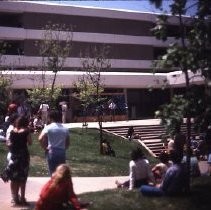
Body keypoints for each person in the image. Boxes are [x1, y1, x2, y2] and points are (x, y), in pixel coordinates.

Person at [2, 116, 32, 206]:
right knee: (23, 178)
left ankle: (15, 198)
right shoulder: (26, 131)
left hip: (14, 156)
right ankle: (22, 198)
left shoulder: (12, 131)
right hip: (23, 156)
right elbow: (30, 143)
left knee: (14, 178)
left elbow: (9, 143)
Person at [38, 110, 70, 175]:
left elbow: (40, 138)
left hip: (52, 151)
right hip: (61, 152)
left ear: (51, 118)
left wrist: (45, 148)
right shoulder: (65, 128)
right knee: (61, 173)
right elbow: (67, 142)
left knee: (52, 172)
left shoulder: (48, 127)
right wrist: (64, 148)